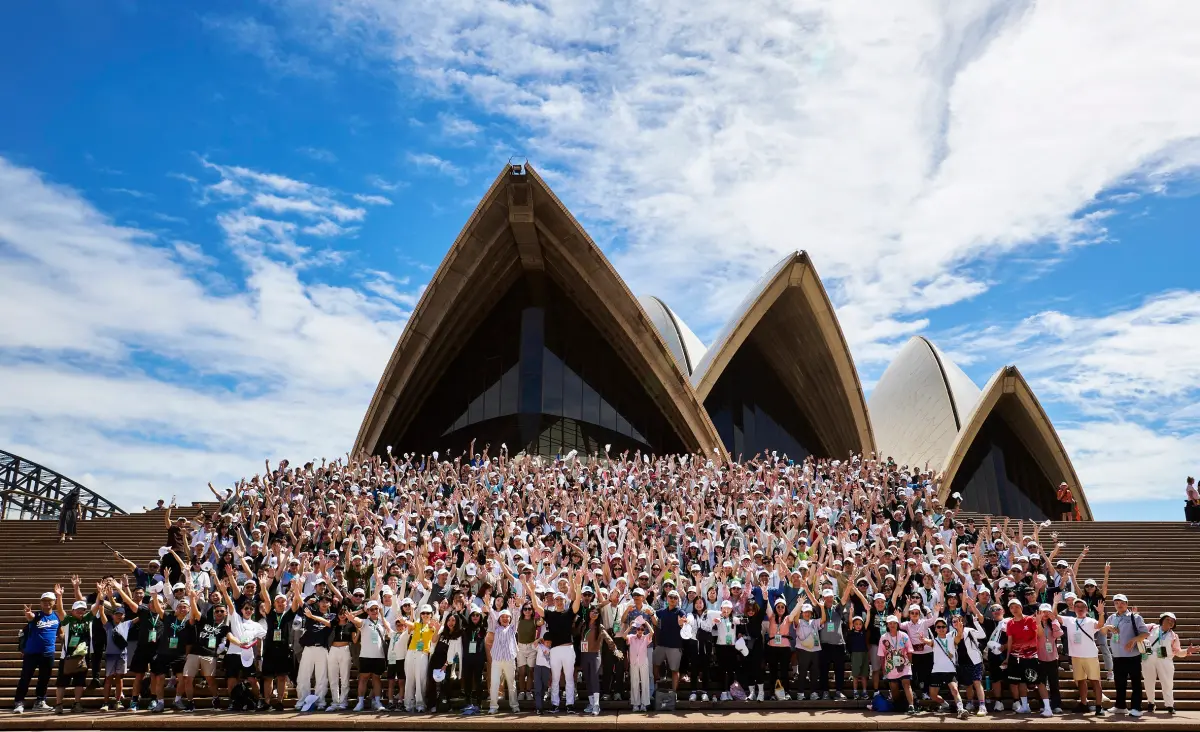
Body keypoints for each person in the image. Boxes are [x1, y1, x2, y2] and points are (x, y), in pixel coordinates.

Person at [1099, 593, 1149, 717]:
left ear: (1126, 604)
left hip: (1132, 656)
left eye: (1121, 602)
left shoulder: (1135, 617)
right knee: (1119, 683)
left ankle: (1136, 707)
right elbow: (1102, 631)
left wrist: (1133, 640)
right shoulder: (1111, 618)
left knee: (1135, 683)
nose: (1119, 605)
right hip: (1117, 656)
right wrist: (1108, 627)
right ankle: (1120, 706)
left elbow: (1145, 633)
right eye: (1116, 603)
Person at [13, 590, 62, 714]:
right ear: (40, 603)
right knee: (25, 678)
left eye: (49, 601)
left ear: (54, 602)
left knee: (44, 679)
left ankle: (40, 701)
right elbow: (30, 618)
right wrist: (28, 614)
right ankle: (19, 702)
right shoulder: (37, 615)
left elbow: (60, 633)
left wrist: (66, 639)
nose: (46, 603)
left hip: (48, 652)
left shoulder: (56, 616)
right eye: (44, 601)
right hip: (32, 652)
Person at [1058, 597, 1105, 716]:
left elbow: (1100, 625)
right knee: (1080, 680)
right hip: (1076, 656)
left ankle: (1099, 706)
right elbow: (1055, 616)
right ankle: (1084, 704)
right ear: (1073, 608)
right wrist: (1054, 603)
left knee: (1095, 681)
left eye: (1082, 607)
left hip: (1090, 655)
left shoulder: (1090, 620)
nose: (1080, 609)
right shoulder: (1070, 620)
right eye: (1077, 606)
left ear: (1087, 609)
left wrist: (1101, 613)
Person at [1140, 611, 1192, 714]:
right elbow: (1139, 628)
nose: (1170, 622)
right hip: (1149, 656)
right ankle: (1151, 702)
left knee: (1168, 683)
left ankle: (1169, 705)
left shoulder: (1173, 636)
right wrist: (1135, 617)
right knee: (1148, 681)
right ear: (1162, 620)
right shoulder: (1151, 627)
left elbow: (1178, 652)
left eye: (1172, 621)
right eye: (1168, 619)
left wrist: (1187, 651)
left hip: (1165, 659)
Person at [926, 616, 968, 719]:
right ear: (935, 629)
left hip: (950, 670)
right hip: (936, 671)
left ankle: (960, 709)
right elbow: (926, 641)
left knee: (955, 689)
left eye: (943, 626)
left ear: (946, 628)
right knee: (933, 695)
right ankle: (945, 705)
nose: (941, 629)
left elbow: (959, 636)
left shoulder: (952, 639)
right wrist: (922, 638)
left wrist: (959, 628)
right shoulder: (934, 641)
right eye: (938, 627)